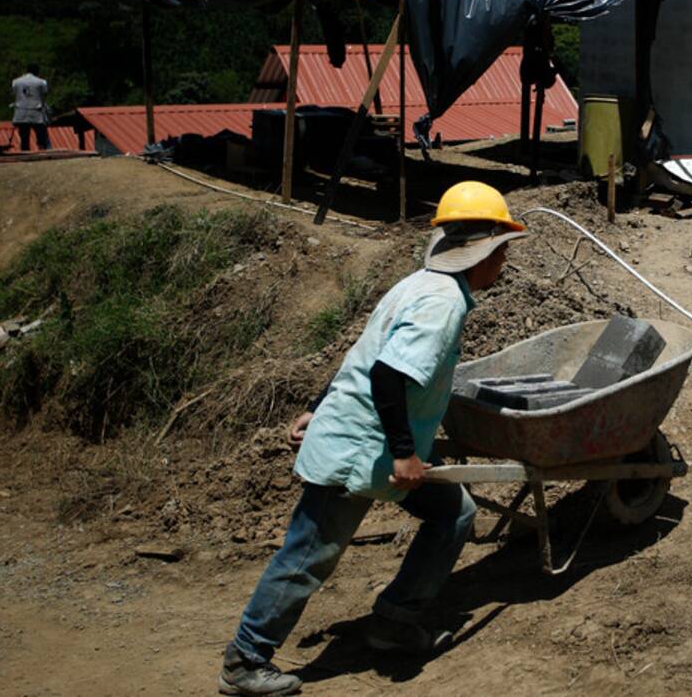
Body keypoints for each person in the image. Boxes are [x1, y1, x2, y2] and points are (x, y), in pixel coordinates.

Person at [219, 181, 528, 696]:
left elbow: (364, 353)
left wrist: (316, 405)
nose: (505, 262)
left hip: (368, 440)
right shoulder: (441, 304)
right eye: (503, 251)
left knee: (453, 514)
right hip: (360, 448)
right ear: (484, 253)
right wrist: (405, 454)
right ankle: (245, 659)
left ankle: (395, 620)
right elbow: (386, 376)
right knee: (309, 556)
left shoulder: (420, 285)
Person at [10, 63, 51, 151]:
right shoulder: (41, 82)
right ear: (37, 71)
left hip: (21, 112)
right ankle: (42, 151)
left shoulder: (16, 81)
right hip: (36, 112)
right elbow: (44, 93)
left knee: (24, 138)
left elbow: (14, 92)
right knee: (41, 136)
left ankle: (25, 152)